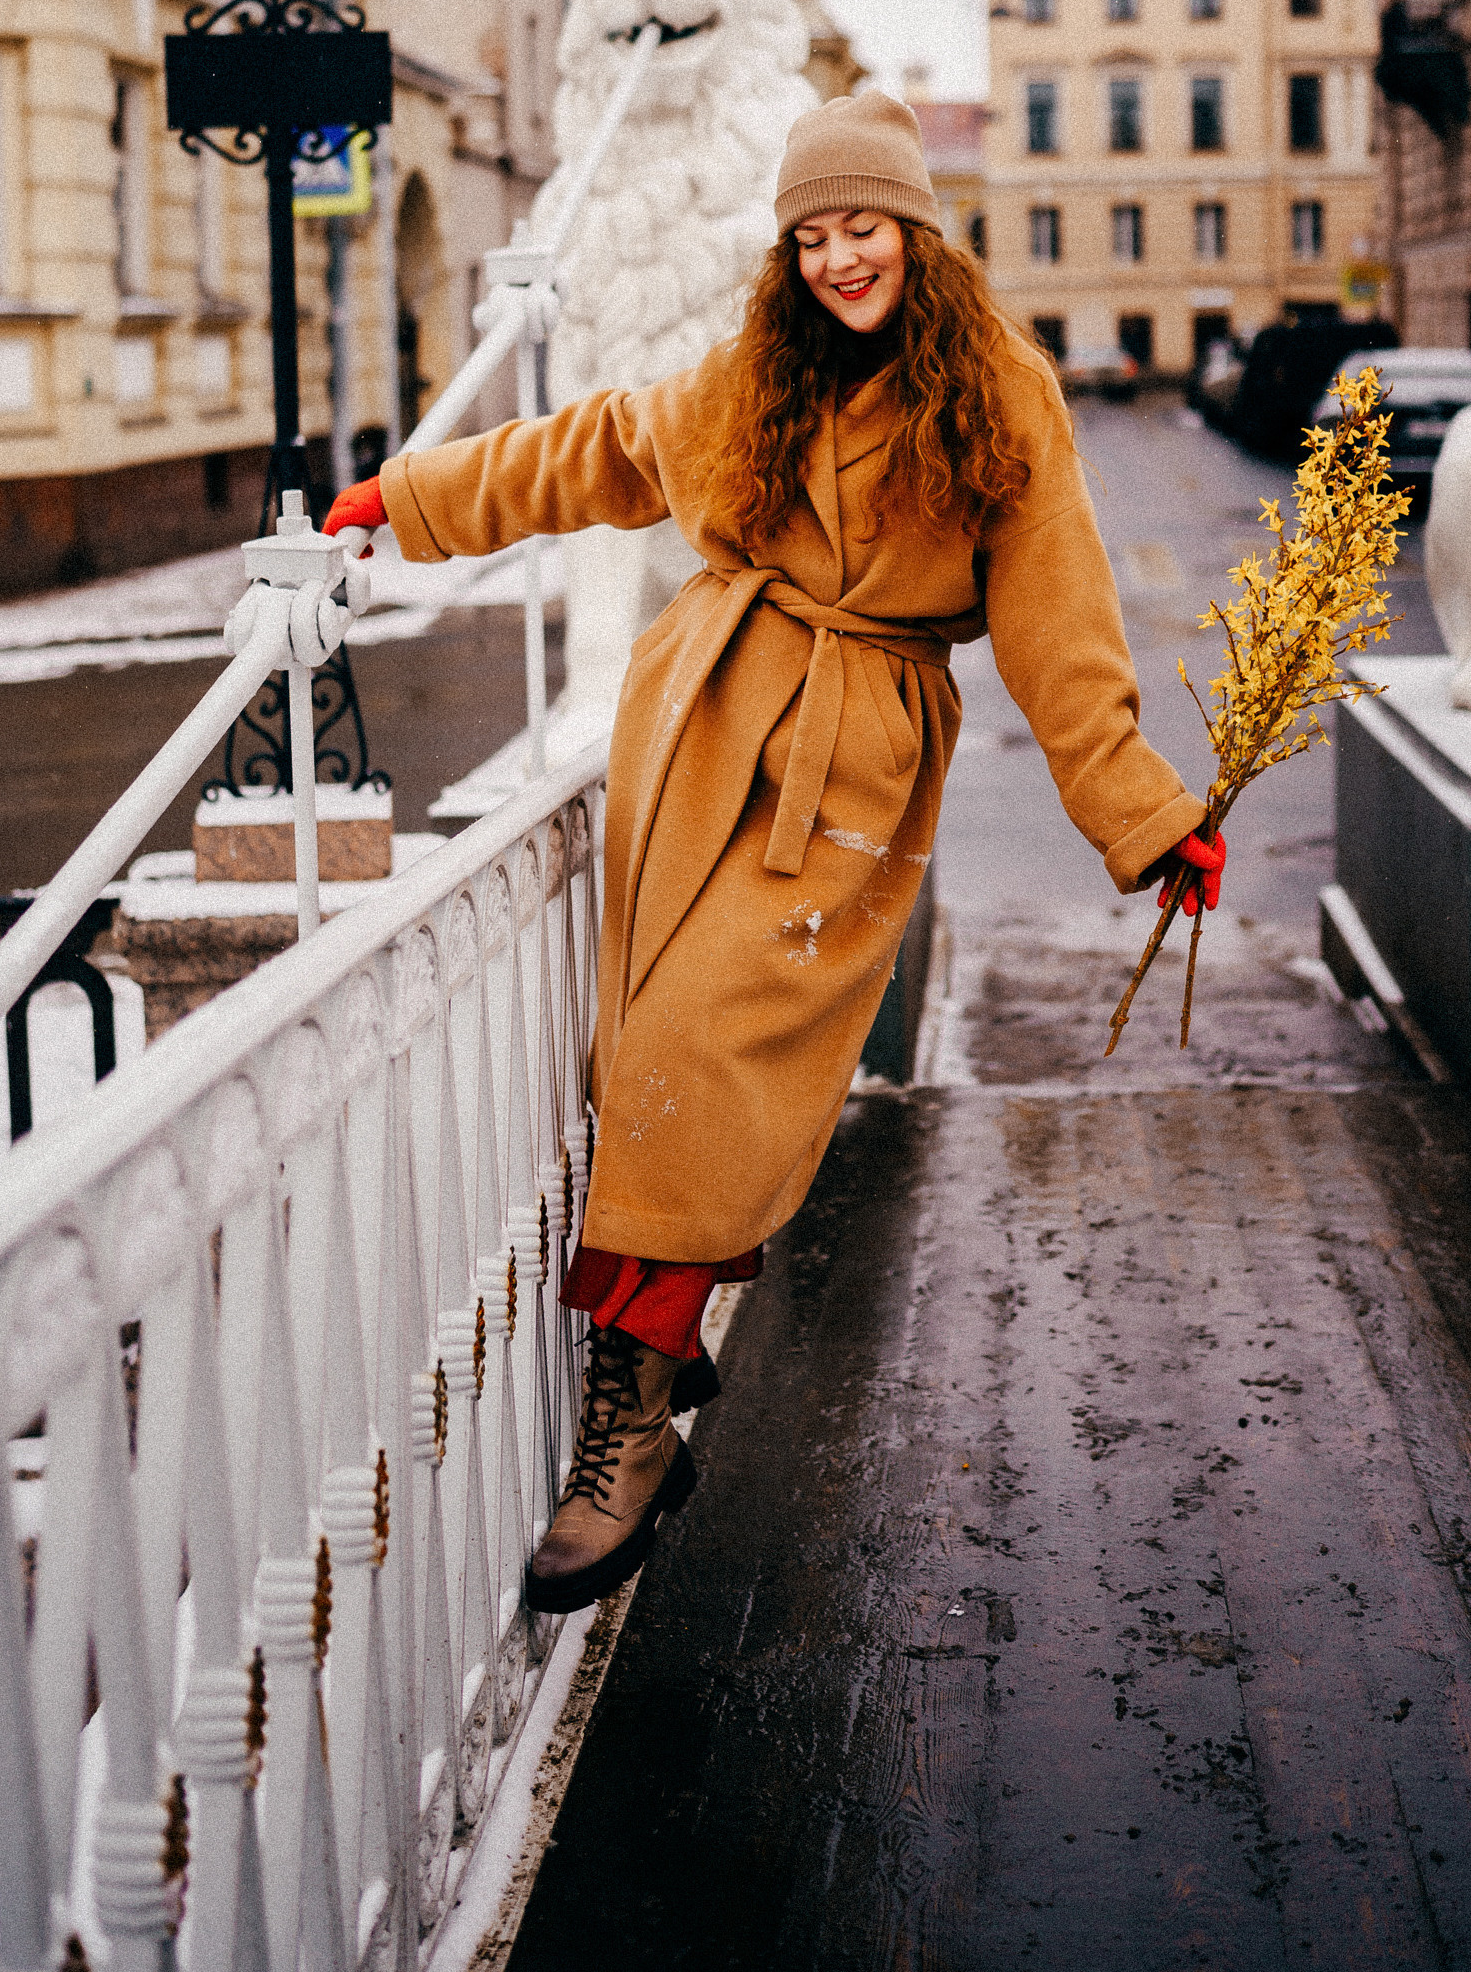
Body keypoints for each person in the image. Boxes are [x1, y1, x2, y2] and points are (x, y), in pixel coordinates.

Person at [325, 89, 1222, 1612]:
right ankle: (647, 1378)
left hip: (851, 756)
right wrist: (402, 502)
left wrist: (1143, 815)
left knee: (702, 1055)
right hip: (698, 729)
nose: (836, 260)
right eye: (810, 236)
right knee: (645, 1054)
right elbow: (597, 450)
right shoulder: (762, 374)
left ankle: (627, 1423)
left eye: (861, 227)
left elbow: (1062, 627)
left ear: (917, 233)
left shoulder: (999, 394)